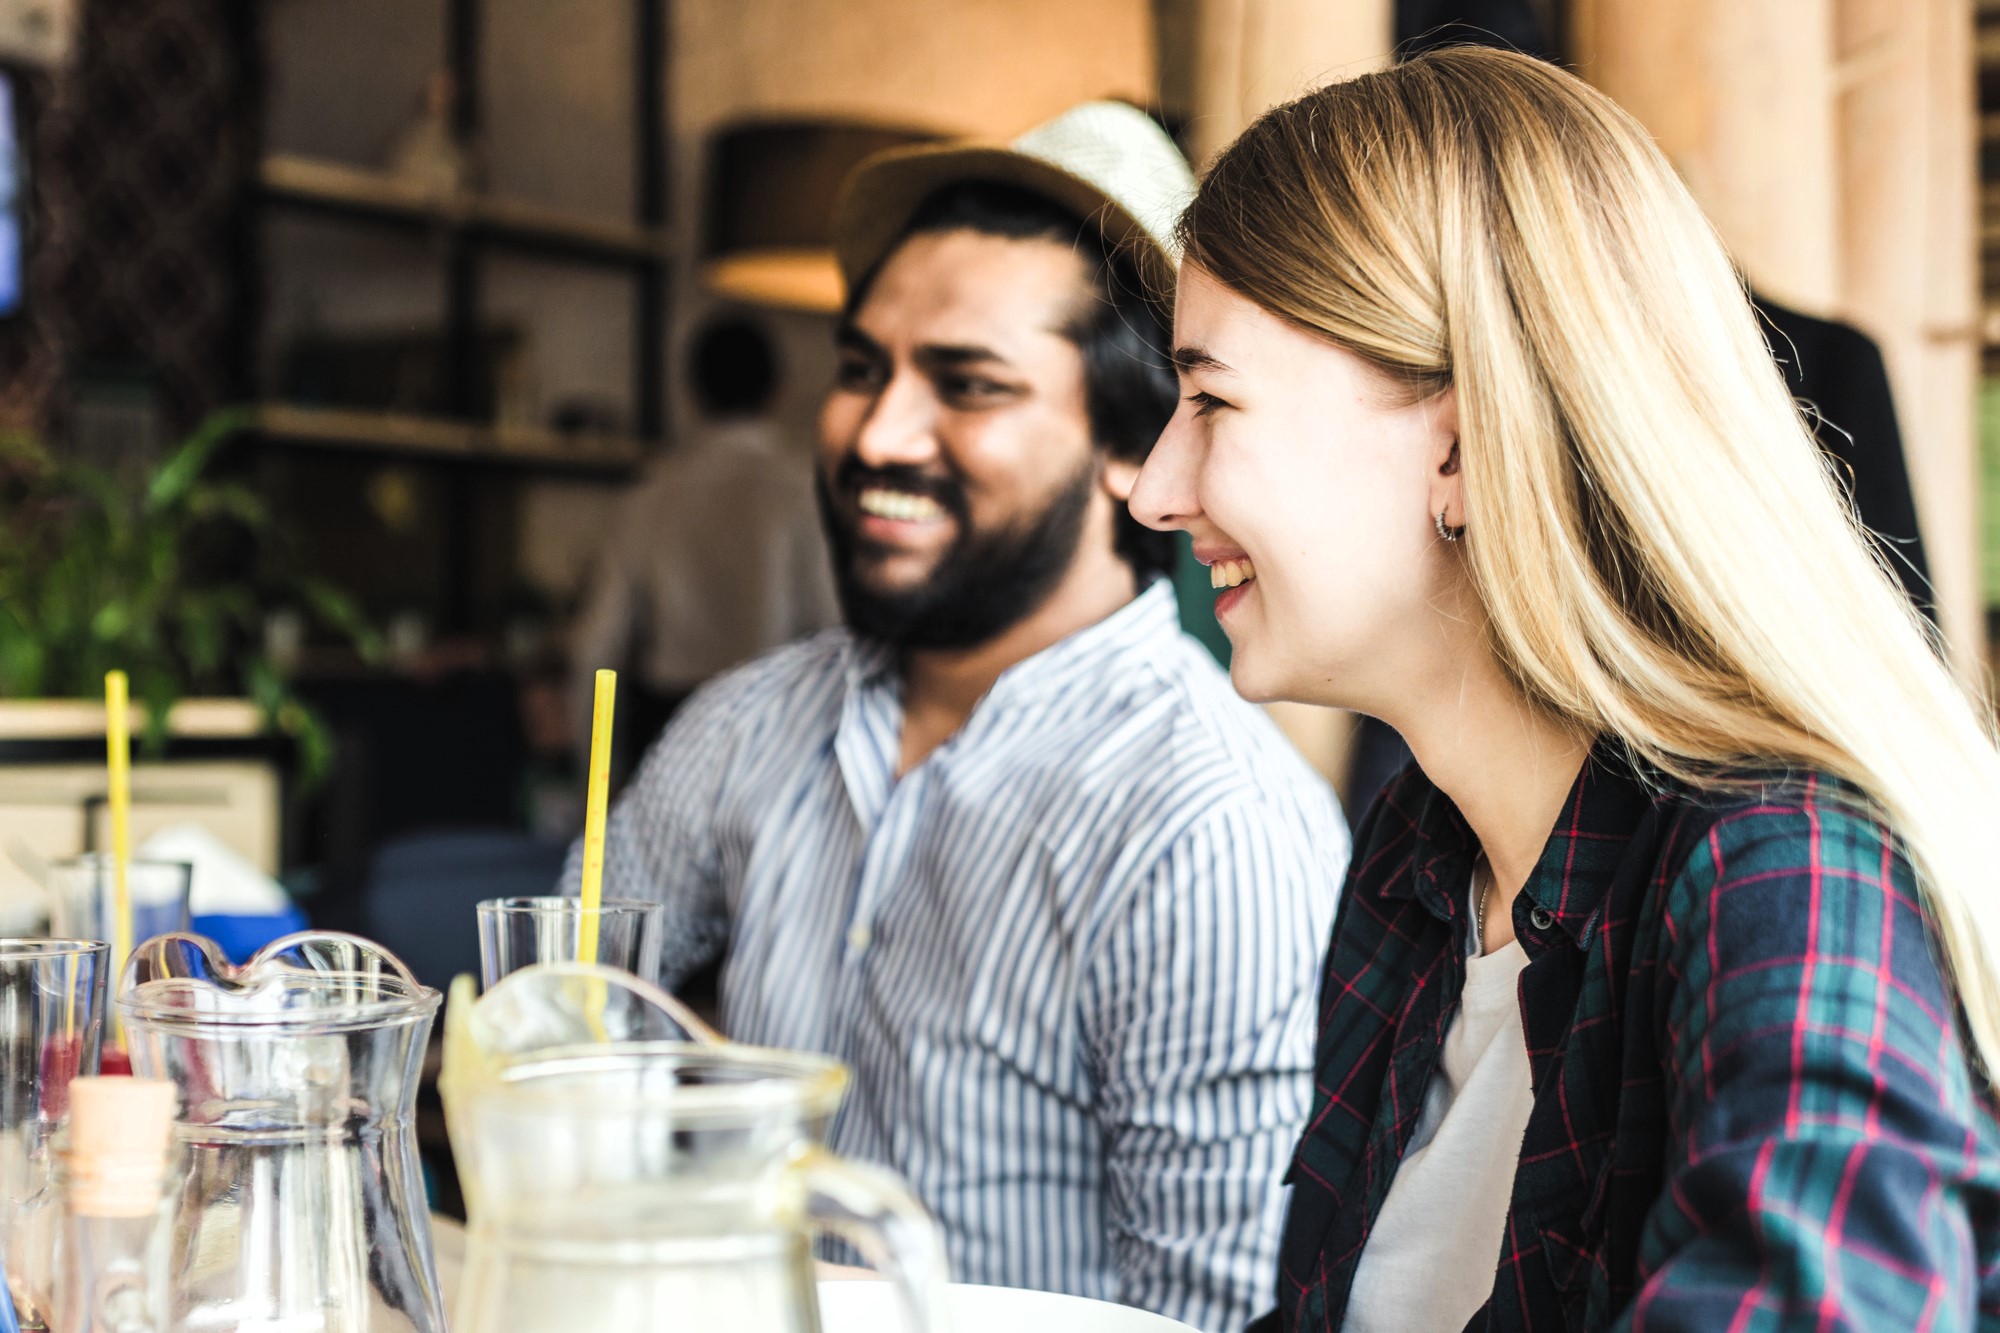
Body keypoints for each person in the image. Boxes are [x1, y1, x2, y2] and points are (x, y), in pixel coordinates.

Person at [1129, 48, 2000, 1331]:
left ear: (1465, 443)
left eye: (1209, 399)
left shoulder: (1783, 864)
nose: (1154, 486)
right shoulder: (1419, 865)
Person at [565, 101, 1348, 1332]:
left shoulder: (1206, 823)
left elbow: (1219, 1318)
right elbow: (554, 1029)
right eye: (862, 370)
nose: (877, 432)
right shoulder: (746, 725)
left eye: (967, 385)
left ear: (1131, 446)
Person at [568, 315, 838, 773]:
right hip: (774, 730)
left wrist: (596, 783)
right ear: (779, 391)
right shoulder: (803, 491)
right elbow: (837, 630)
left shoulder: (648, 495)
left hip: (668, 730)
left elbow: (595, 650)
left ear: (691, 395)